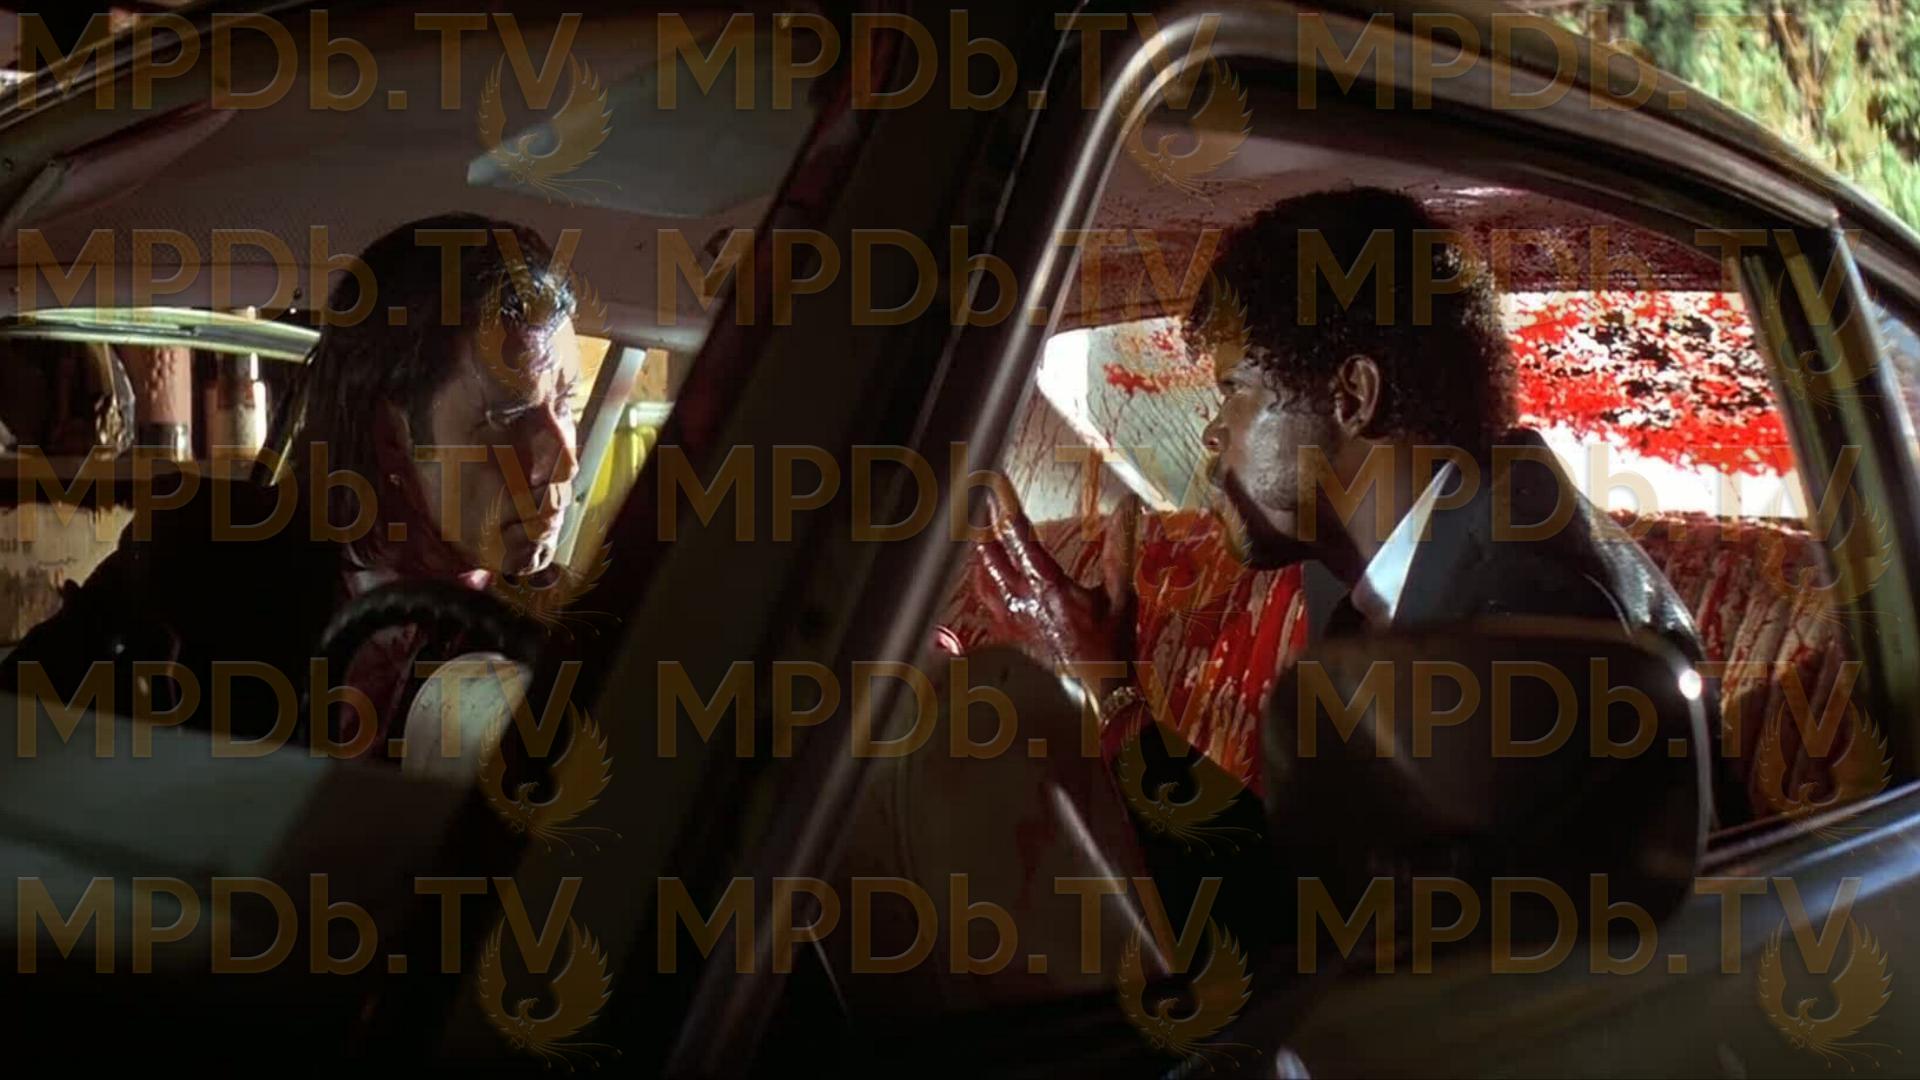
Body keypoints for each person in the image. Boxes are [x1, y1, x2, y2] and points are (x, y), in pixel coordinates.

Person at [974, 186, 1705, 747]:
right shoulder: (1399, 568)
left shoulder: (1525, 620)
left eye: (1234, 392)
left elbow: (1320, 904)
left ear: (1352, 395)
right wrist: (1106, 686)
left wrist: (1107, 701)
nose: (1212, 432)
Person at [3, 213, 583, 761]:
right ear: (392, 433)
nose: (563, 461)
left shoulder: (579, 635)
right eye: (509, 417)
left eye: (566, 404)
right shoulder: (200, 555)